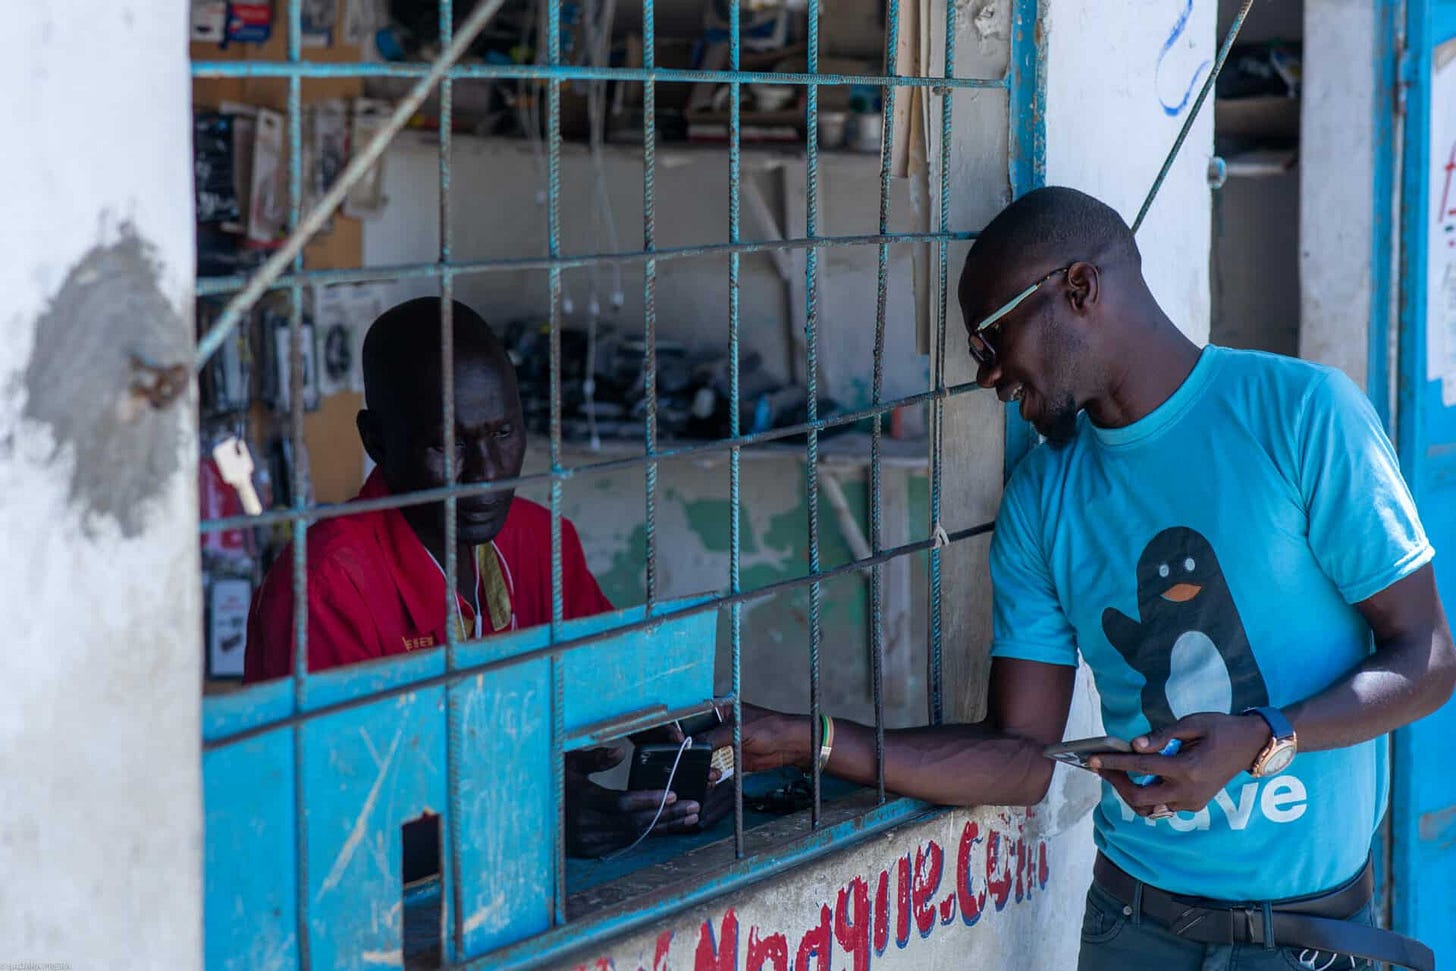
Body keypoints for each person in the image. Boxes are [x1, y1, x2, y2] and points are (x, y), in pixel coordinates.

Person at [721, 188, 1455, 970]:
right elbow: (1021, 754)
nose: (989, 376)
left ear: (1078, 289)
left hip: (1309, 938)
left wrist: (1266, 736)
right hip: (1133, 932)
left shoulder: (1302, 415)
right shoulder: (1043, 499)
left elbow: (1429, 655)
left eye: (992, 338)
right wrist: (815, 740)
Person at [245, 296, 727, 857]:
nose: (486, 476)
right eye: (447, 445)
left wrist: (696, 770)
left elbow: (630, 692)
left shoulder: (539, 541)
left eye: (503, 434)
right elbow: (328, 825)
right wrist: (537, 813)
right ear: (376, 440)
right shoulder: (326, 585)